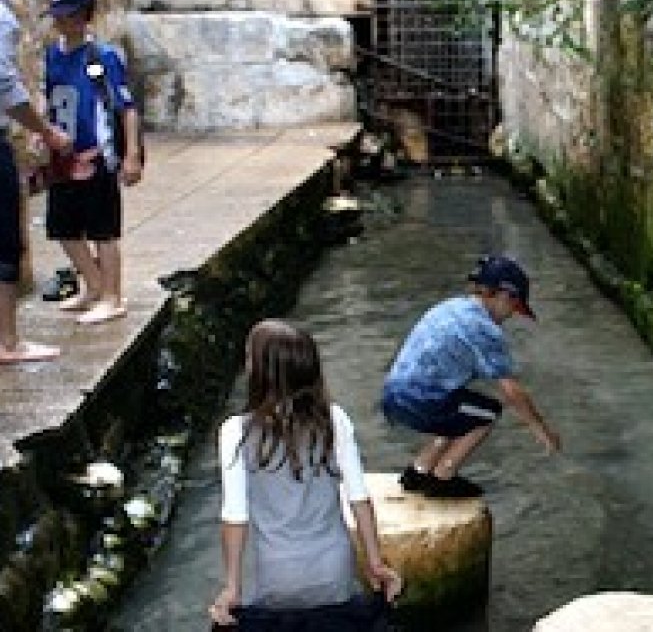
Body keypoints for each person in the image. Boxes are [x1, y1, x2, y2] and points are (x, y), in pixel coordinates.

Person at [209, 320, 402, 626]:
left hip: (275, 575)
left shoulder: (236, 431)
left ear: (261, 372)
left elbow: (235, 516)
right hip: (333, 570)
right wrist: (375, 562)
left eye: (249, 358)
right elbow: (359, 498)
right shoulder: (334, 420)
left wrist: (232, 585)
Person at [380, 254, 562, 499]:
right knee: (488, 412)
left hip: (393, 394)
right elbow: (512, 391)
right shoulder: (484, 329)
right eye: (514, 308)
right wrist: (540, 429)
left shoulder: (451, 307)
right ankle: (444, 475)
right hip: (422, 399)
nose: (510, 316)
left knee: (461, 411)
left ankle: (418, 471)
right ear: (503, 295)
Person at [42, 0, 141, 325]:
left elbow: (126, 107)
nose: (60, 23)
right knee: (63, 227)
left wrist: (130, 156)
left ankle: (112, 296)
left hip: (97, 155)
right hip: (64, 156)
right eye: (57, 16)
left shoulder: (102, 58)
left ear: (84, 18)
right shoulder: (52, 54)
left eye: (67, 16)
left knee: (102, 229)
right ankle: (93, 285)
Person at [0, 0, 71, 364]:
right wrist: (45, 131)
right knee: (6, 239)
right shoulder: (3, 20)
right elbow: (5, 86)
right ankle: (8, 341)